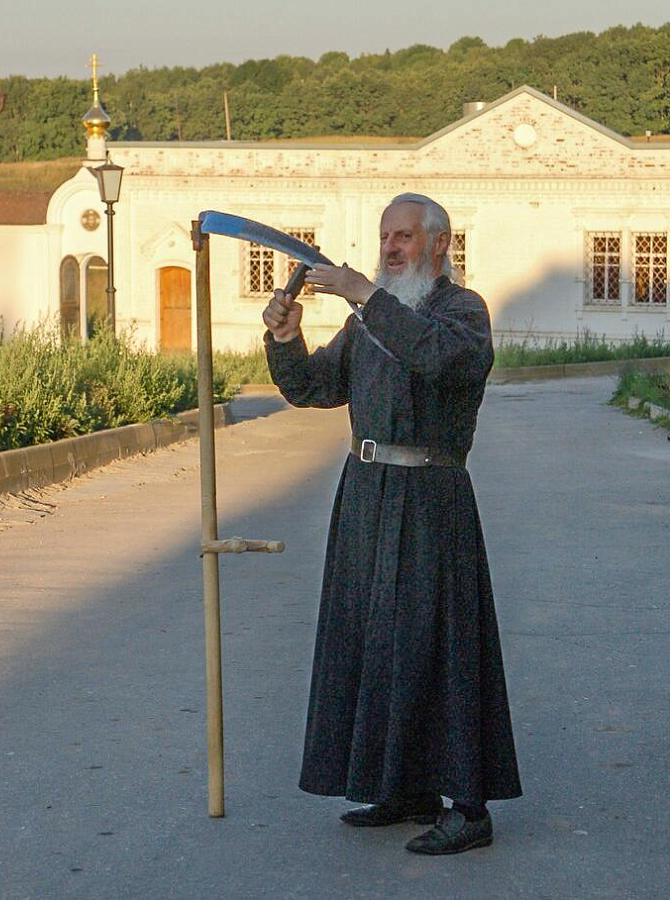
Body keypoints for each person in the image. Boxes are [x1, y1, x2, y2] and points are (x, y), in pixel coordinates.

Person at [261, 193, 521, 855]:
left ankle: (469, 808)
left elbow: (436, 358)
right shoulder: (368, 322)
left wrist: (364, 296)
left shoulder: (463, 312)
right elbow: (315, 387)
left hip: (432, 497)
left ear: (439, 244)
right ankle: (406, 790)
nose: (390, 249)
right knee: (373, 640)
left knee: (439, 646)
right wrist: (286, 340)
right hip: (365, 494)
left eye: (403, 236)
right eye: (384, 237)